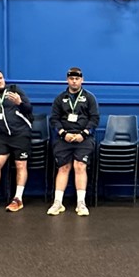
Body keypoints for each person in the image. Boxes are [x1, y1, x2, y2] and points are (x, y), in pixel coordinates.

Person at [48, 67, 99, 217]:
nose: (74, 81)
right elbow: (54, 119)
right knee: (63, 167)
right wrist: (63, 133)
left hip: (84, 138)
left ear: (82, 80)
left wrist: (84, 133)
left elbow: (94, 118)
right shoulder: (60, 99)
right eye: (71, 79)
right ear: (67, 80)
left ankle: (81, 203)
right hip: (64, 138)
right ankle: (57, 202)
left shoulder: (89, 98)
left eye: (77, 79)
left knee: (79, 166)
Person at [0, 68, 33, 212]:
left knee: (20, 165)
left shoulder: (15, 90)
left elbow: (29, 109)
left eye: (1, 78)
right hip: (1, 136)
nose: (0, 81)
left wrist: (19, 103)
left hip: (20, 134)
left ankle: (18, 198)